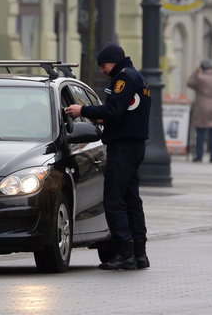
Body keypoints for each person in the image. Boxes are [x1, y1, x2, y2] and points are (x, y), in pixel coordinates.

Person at [64, 42, 151, 271]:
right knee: (132, 199)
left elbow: (114, 109)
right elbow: (124, 112)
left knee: (114, 200)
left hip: (123, 146)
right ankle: (139, 253)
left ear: (113, 61)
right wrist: (104, 117)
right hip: (134, 145)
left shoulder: (124, 79)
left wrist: (82, 111)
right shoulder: (138, 77)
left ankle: (124, 253)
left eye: (104, 65)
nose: (103, 70)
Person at [187, 58, 212, 163]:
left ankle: (199, 156)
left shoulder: (200, 78)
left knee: (200, 131)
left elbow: (190, 83)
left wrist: (195, 73)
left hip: (202, 106)